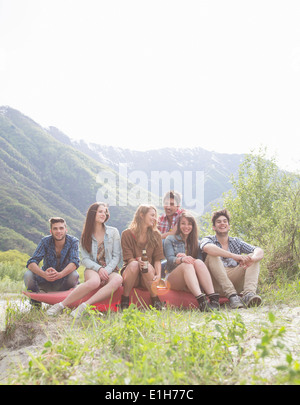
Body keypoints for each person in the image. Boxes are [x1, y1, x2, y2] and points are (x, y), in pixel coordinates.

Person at [47, 203, 123, 318]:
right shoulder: (85, 235)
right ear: (93, 214)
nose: (104, 214)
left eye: (105, 212)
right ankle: (60, 305)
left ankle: (84, 306)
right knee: (94, 282)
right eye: (100, 211)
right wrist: (99, 269)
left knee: (118, 279)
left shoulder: (113, 232)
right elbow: (85, 259)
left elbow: (116, 256)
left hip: (110, 269)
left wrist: (105, 271)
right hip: (92, 269)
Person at [200, 209, 264, 309]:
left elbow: (259, 250)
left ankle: (249, 294)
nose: (222, 223)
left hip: (234, 280)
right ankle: (232, 296)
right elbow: (206, 248)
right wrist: (233, 256)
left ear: (229, 226)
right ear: (213, 227)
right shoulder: (208, 240)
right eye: (219, 222)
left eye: (225, 221)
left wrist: (253, 258)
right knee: (212, 255)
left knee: (252, 257)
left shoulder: (235, 241)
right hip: (216, 283)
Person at [164, 212, 220, 312]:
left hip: (191, 278)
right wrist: (181, 259)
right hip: (173, 278)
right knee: (187, 265)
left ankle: (213, 300)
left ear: (193, 226)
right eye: (183, 223)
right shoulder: (170, 239)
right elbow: (170, 259)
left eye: (189, 224)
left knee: (198, 262)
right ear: (178, 225)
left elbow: (199, 263)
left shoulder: (196, 243)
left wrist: (188, 258)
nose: (186, 226)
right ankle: (202, 302)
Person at [25, 217, 80, 305]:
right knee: (28, 274)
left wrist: (60, 274)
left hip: (63, 281)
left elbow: (74, 262)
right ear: (51, 231)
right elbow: (31, 263)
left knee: (74, 275)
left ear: (66, 230)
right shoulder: (45, 241)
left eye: (61, 228)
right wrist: (44, 274)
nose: (58, 231)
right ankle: (36, 305)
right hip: (45, 280)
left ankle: (66, 304)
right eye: (55, 228)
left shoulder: (73, 241)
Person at [120, 204, 165, 310]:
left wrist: (158, 275)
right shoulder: (126, 234)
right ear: (141, 215)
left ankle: (155, 300)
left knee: (147, 265)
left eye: (155, 216)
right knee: (135, 264)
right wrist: (137, 260)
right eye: (152, 215)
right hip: (132, 276)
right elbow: (128, 257)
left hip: (148, 276)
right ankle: (125, 299)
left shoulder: (156, 235)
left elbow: (158, 259)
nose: (155, 218)